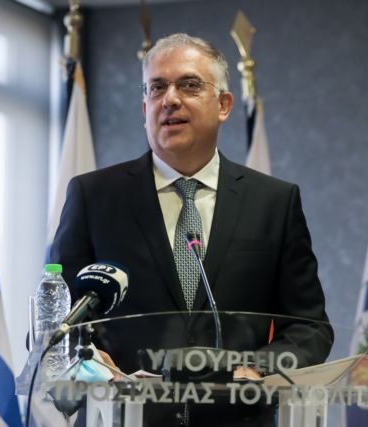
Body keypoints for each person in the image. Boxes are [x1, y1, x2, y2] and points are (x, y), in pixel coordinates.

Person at [50, 33, 333, 427]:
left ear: (224, 105)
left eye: (189, 85)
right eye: (157, 87)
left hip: (236, 417)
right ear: (144, 107)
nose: (170, 99)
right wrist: (100, 371)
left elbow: (309, 326)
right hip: (124, 417)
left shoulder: (273, 202)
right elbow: (59, 322)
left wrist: (255, 368)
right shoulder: (94, 196)